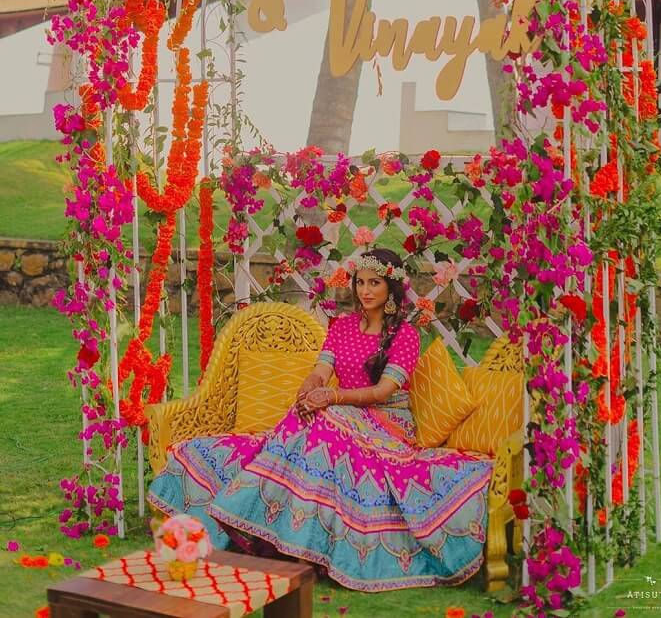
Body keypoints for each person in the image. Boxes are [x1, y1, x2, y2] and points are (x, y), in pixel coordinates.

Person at [148, 248, 493, 592]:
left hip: (387, 424)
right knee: (314, 419)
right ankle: (289, 541)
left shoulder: (405, 335)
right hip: (339, 416)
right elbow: (321, 371)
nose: (365, 290)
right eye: (360, 282)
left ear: (392, 287)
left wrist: (329, 396)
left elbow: (383, 392)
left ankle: (283, 536)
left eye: (375, 283)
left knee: (327, 418)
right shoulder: (342, 327)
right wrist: (308, 391)